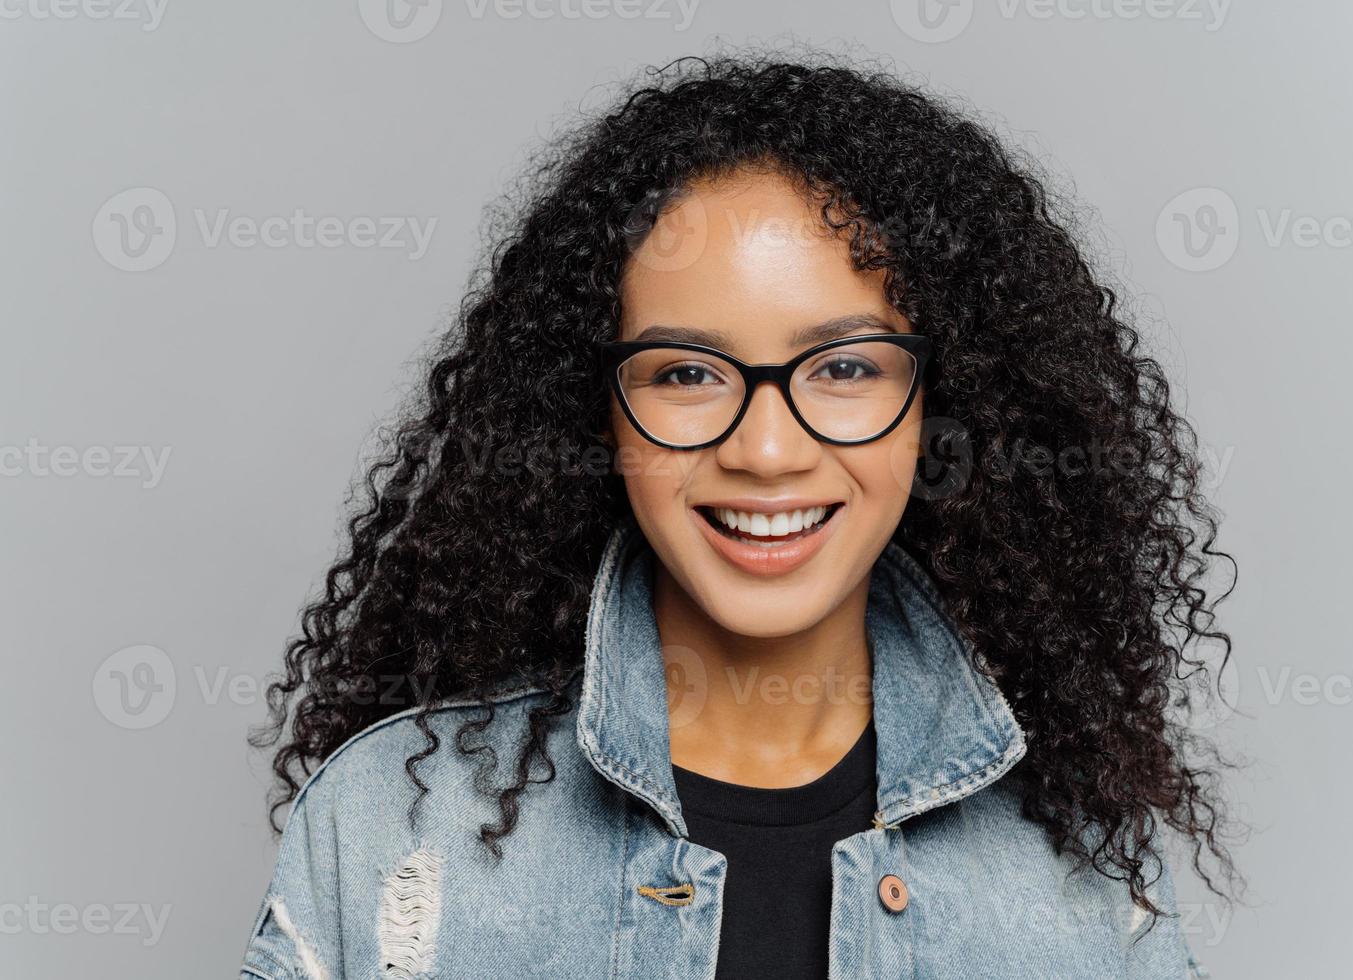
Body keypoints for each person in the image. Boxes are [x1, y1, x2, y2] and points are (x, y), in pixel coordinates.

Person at [239, 52, 1238, 980]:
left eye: (845, 367)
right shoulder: (390, 827)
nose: (764, 451)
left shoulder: (1082, 858)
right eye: (685, 371)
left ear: (944, 406)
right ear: (597, 413)